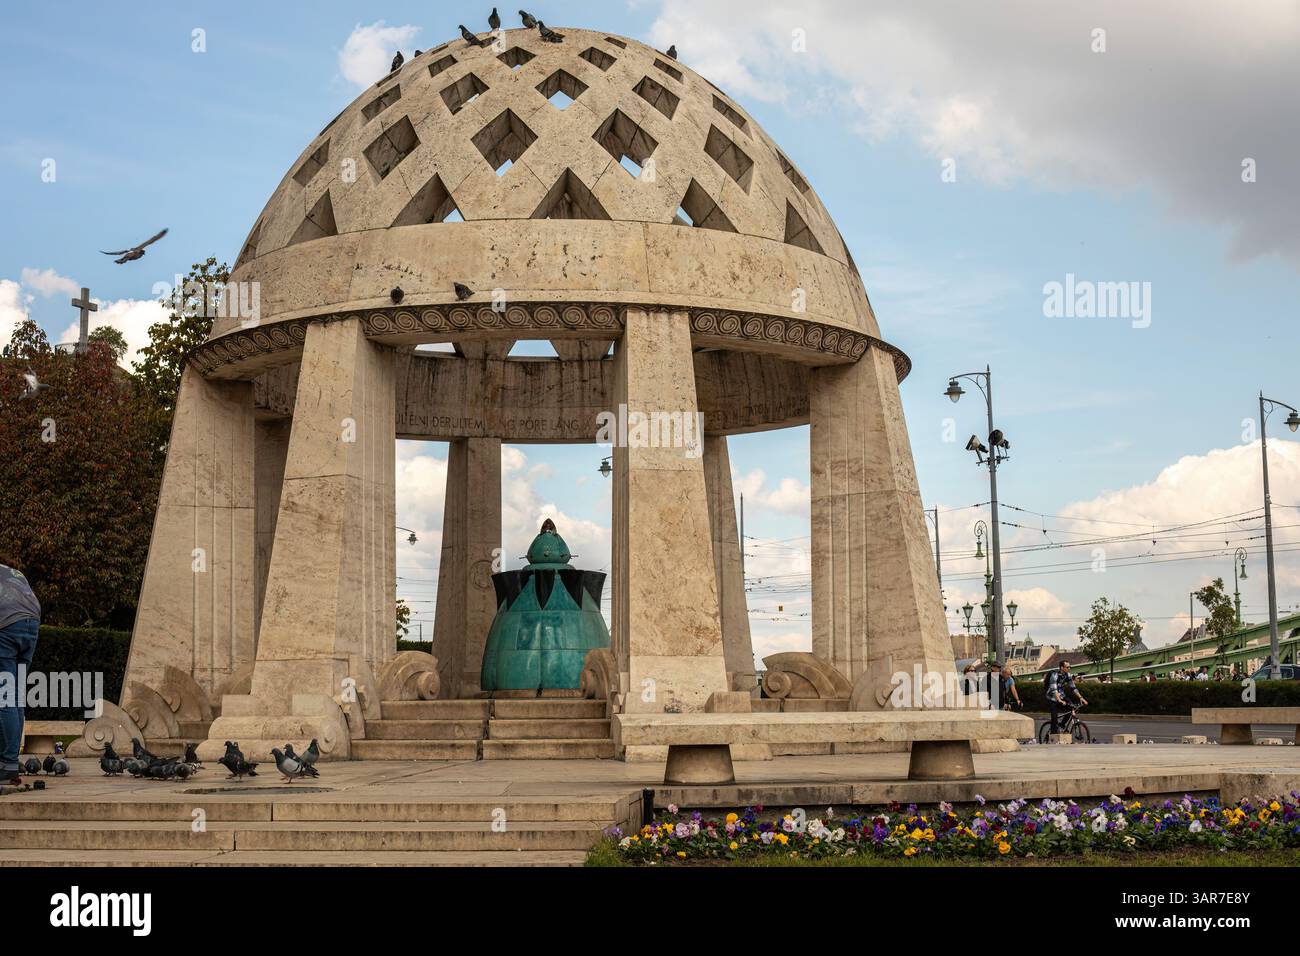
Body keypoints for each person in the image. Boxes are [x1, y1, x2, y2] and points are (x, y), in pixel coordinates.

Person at [0, 563, 41, 785]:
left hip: (6, 626)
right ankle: (8, 761)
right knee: (15, 695)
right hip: (31, 625)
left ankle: (7, 765)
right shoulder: (12, 572)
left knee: (5, 695)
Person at [1045, 660, 1087, 735]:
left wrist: (1081, 698)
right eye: (1067, 667)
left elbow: (1073, 687)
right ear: (1062, 667)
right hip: (1052, 697)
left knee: (1072, 708)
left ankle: (1061, 725)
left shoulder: (1068, 675)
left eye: (1069, 667)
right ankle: (1053, 736)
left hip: (1062, 695)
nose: (1069, 668)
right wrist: (1059, 700)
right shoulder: (1054, 675)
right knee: (1054, 718)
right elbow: (1054, 689)